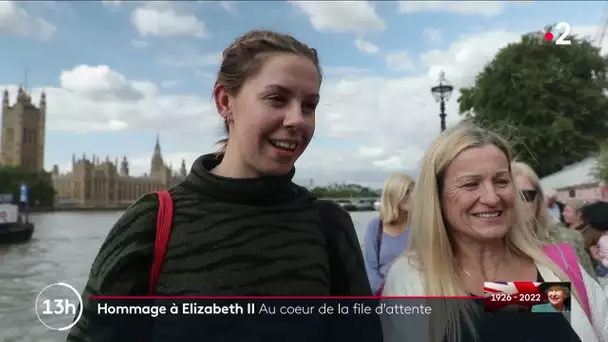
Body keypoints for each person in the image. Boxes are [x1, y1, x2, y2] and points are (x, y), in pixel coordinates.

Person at [66, 30, 379, 341]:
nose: (298, 119)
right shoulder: (153, 221)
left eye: (309, 105)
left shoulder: (329, 226)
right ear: (225, 101)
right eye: (276, 99)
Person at [380, 123, 607, 342]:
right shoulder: (411, 280)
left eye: (500, 181)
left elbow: (504, 302)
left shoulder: (555, 268)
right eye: (470, 184)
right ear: (436, 196)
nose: (491, 198)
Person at [511, 161, 596, 279]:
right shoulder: (489, 252)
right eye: (511, 196)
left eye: (525, 195)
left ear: (539, 199)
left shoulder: (569, 241)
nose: (518, 203)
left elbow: (591, 295)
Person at [363, 173, 414, 294]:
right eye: (406, 192)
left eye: (413, 192)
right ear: (393, 195)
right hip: (384, 297)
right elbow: (370, 267)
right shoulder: (375, 227)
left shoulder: (419, 226)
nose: (412, 196)